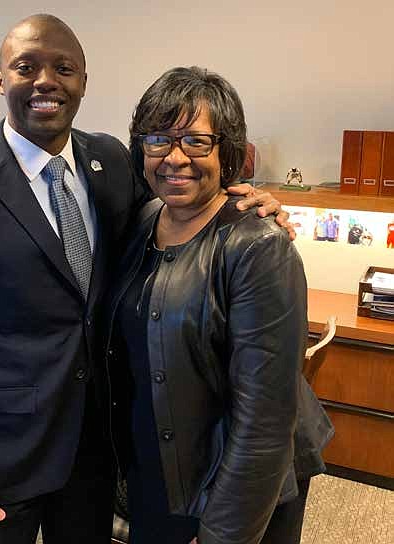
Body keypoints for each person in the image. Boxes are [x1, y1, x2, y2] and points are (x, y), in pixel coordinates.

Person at [0, 15, 291, 544]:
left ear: (82, 81)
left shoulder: (110, 161)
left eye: (64, 68)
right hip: (1, 454)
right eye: (25, 67)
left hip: (100, 447)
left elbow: (185, 204)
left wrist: (248, 202)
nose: (46, 81)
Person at [105, 66, 334, 544]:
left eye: (195, 142)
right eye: (158, 140)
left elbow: (265, 421)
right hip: (161, 464)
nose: (174, 158)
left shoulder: (257, 246)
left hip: (233, 484)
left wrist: (225, 531)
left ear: (226, 152)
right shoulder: (145, 218)